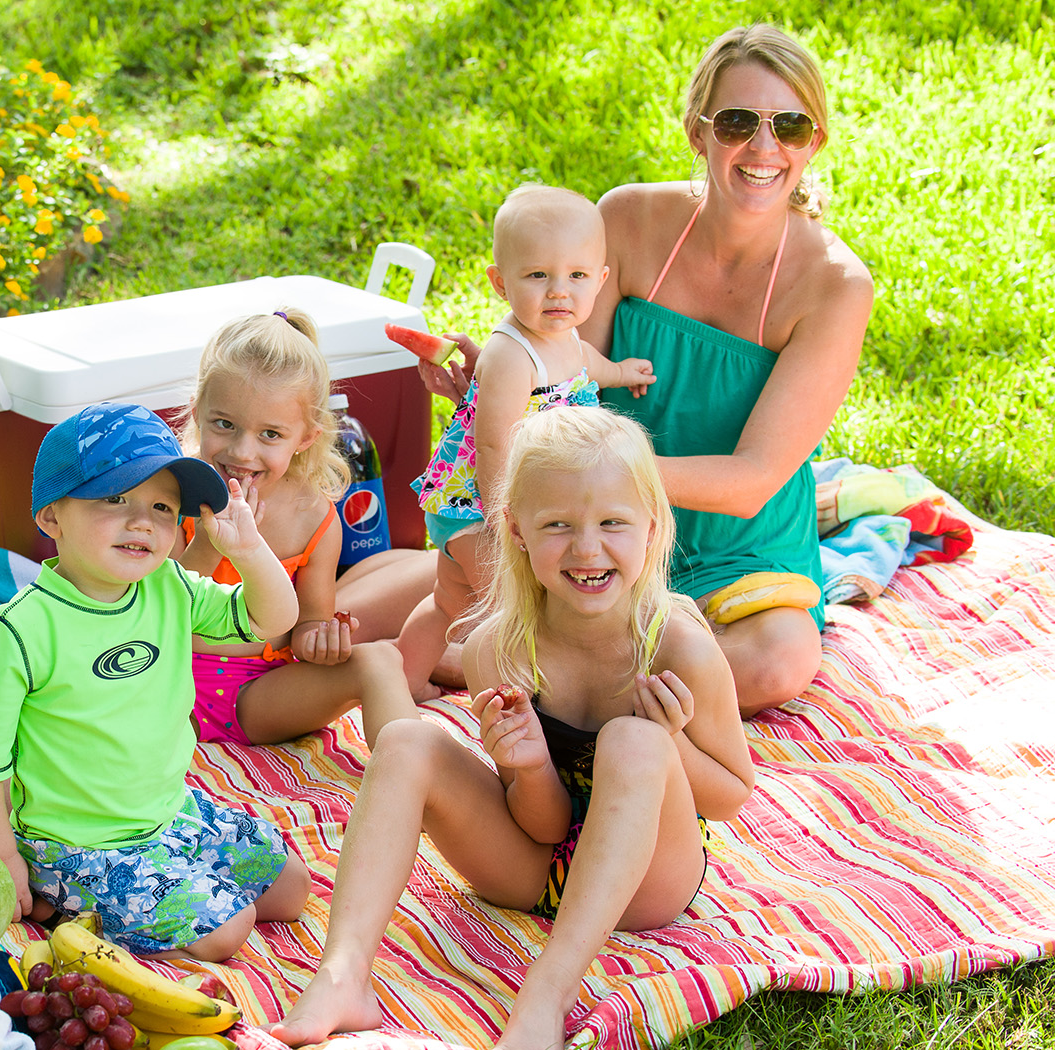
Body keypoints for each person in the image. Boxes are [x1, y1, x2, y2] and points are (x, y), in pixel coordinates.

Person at [341, 23, 874, 717]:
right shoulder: (626, 218)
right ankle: (549, 658)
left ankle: (547, 672)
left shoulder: (835, 284)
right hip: (582, 525)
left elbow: (750, 483)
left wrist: (601, 480)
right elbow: (563, 376)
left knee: (781, 659)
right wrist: (498, 383)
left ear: (815, 141)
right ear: (697, 131)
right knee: (344, 617)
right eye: (738, 122)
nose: (764, 147)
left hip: (733, 550)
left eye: (791, 126)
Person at [270, 406, 755, 1049]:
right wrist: (526, 767)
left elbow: (731, 794)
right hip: (533, 868)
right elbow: (545, 826)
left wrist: (672, 741)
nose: (587, 548)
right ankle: (343, 974)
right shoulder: (497, 648)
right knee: (406, 739)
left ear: (652, 527)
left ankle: (547, 996)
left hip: (645, 887)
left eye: (613, 522)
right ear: (515, 531)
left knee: (633, 740)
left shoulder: (678, 647)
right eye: (558, 525)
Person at [0, 402, 313, 960]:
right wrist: (2, 856)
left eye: (163, 507)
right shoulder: (22, 631)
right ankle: (62, 899)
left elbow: (273, 619)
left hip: (169, 811)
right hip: (75, 842)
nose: (143, 521)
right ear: (51, 517)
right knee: (230, 927)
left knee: (291, 888)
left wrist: (249, 551)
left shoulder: (168, 587)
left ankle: (130, 896)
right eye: (114, 498)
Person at [392, 186, 653, 698]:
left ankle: (400, 678)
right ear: (500, 283)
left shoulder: (566, 337)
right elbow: (492, 445)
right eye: (538, 275)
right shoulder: (512, 355)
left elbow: (588, 368)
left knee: (449, 601)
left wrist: (622, 372)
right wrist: (503, 520)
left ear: (600, 280)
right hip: (479, 505)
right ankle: (530, 701)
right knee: (514, 607)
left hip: (497, 505)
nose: (559, 291)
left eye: (577, 276)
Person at [174, 310, 418, 748]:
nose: (242, 451)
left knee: (380, 659)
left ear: (305, 437)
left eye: (270, 434)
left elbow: (308, 624)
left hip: (260, 696)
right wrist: (211, 546)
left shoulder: (314, 517)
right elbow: (151, 608)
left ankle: (413, 779)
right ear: (198, 413)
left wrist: (321, 641)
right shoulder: (173, 495)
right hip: (164, 686)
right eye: (224, 424)